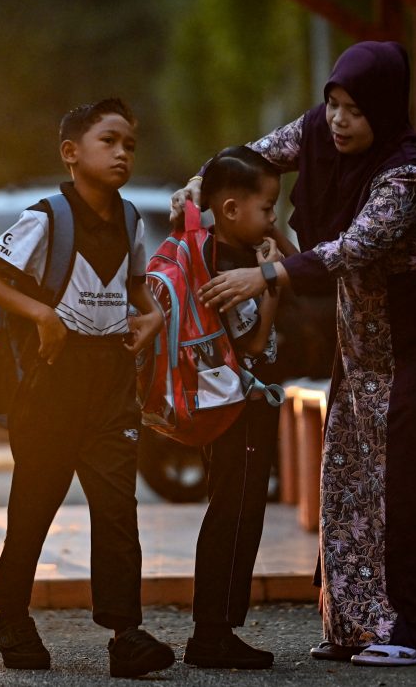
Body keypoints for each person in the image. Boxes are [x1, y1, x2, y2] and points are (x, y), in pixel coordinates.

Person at [172, 41, 416, 667]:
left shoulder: (408, 175)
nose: (340, 121)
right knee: (348, 475)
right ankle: (358, 624)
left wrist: (265, 276)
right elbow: (254, 156)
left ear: (385, 111)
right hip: (367, 341)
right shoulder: (321, 130)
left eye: (356, 111)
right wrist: (201, 182)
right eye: (334, 105)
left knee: (413, 482)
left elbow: (354, 247)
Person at [0, 98, 175, 678]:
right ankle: (13, 617)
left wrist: (152, 315)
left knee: (116, 510)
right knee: (34, 504)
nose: (122, 153)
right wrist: (43, 315)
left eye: (129, 145)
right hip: (51, 379)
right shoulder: (46, 218)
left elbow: (137, 285)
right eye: (108, 141)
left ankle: (125, 634)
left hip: (110, 380)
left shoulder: (131, 218)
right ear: (71, 153)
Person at [183, 146, 284, 670]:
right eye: (266, 209)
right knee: (235, 512)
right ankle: (212, 633)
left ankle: (214, 628)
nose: (273, 219)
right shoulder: (231, 272)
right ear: (229, 211)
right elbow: (255, 343)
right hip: (239, 407)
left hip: (223, 405)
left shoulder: (212, 252)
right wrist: (270, 285)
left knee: (230, 507)